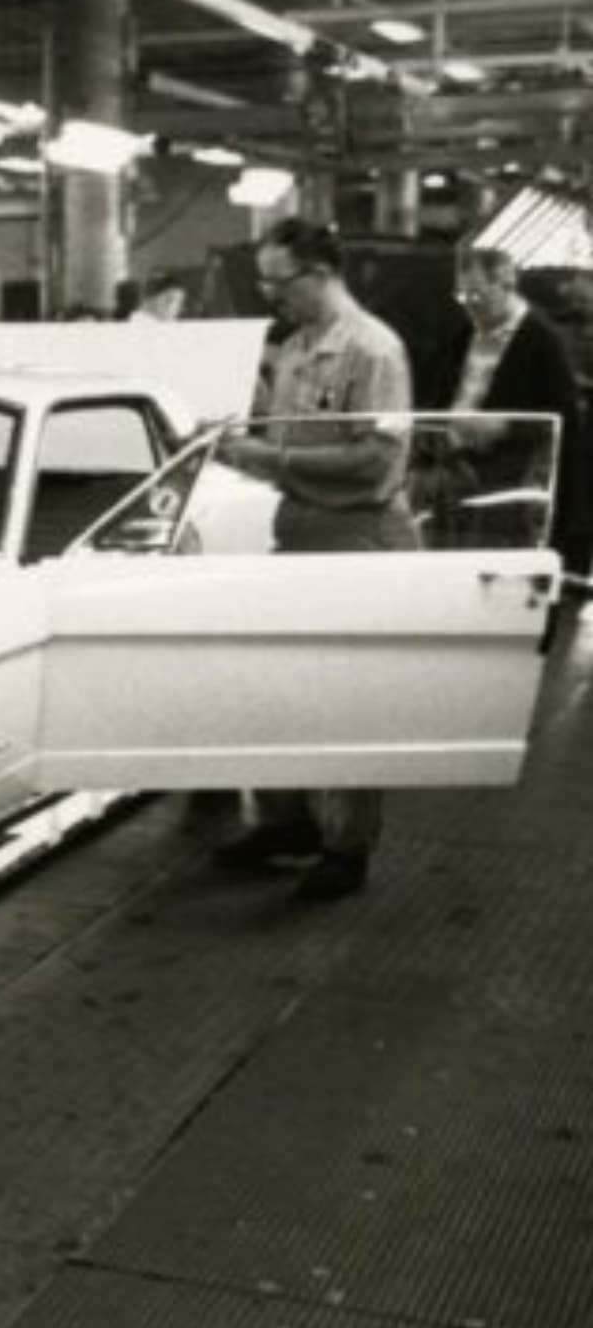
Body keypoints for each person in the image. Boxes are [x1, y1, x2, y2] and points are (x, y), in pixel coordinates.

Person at [214, 217, 417, 901]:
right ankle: (289, 820)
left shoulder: (375, 352)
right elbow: (273, 437)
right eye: (265, 282)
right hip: (301, 532)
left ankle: (346, 846)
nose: (271, 296)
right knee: (275, 684)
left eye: (280, 282)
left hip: (360, 537)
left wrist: (274, 458)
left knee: (350, 698)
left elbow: (377, 461)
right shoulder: (296, 350)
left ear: (322, 274)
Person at [420, 247, 583, 558]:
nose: (469, 306)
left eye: (477, 296)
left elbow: (565, 426)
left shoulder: (543, 342)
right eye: (462, 297)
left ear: (506, 285)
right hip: (454, 477)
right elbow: (439, 398)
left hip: (507, 487)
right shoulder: (463, 337)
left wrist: (505, 427)